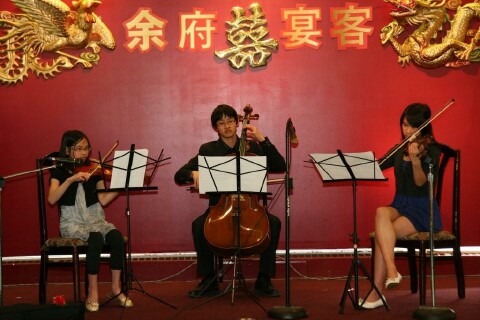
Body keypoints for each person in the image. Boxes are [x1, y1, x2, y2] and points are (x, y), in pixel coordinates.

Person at [174, 104, 286, 298]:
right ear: (215, 128)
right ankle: (209, 280)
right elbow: (178, 175)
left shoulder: (254, 147)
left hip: (250, 206)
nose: (226, 126)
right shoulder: (208, 149)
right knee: (198, 225)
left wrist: (262, 138)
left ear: (237, 123)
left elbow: (280, 165)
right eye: (221, 123)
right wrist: (193, 172)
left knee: (273, 224)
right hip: (220, 207)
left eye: (230, 121)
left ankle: (264, 279)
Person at [361, 103, 443, 309]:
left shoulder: (431, 149)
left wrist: (416, 162)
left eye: (413, 127)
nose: (407, 131)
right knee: (381, 212)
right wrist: (358, 163)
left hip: (422, 210)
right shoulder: (400, 148)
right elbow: (378, 165)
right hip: (400, 204)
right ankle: (392, 270)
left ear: (423, 127)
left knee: (382, 234)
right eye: (404, 125)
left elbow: (421, 183)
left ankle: (377, 292)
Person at [47, 130, 133, 312]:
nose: (84, 152)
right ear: (68, 150)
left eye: (87, 148)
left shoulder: (94, 170)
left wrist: (120, 186)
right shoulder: (59, 172)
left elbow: (103, 200)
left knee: (116, 237)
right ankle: (92, 293)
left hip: (95, 219)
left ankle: (116, 289)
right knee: (95, 239)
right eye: (79, 148)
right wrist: (70, 180)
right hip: (72, 223)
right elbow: (52, 198)